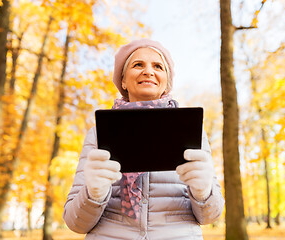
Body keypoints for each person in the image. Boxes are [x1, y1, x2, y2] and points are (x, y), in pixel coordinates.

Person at [63, 39, 225, 240]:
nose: (148, 71)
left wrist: (203, 192)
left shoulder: (192, 131)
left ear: (166, 82)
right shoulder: (98, 134)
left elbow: (211, 215)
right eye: (138, 65)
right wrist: (93, 193)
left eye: (158, 66)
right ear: (122, 81)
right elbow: (74, 223)